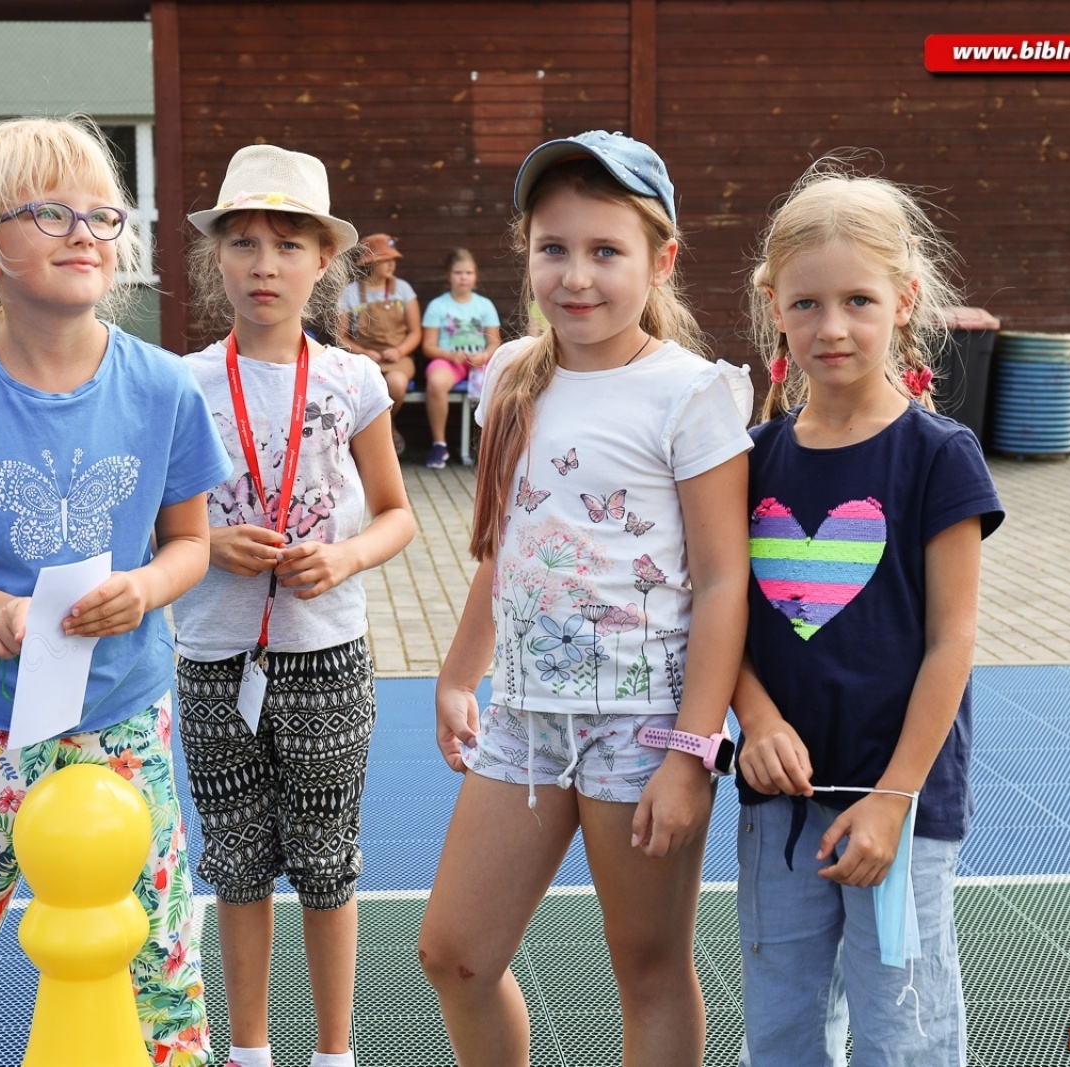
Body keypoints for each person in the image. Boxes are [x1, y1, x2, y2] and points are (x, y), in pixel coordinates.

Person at [0, 117, 232, 1067]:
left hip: (121, 716)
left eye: (101, 214)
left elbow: (191, 542)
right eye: (48, 212)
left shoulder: (163, 390)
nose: (83, 231)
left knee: (155, 942)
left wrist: (146, 586)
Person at [417, 131, 755, 1065]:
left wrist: (693, 749)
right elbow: (504, 546)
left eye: (606, 251)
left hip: (643, 727)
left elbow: (727, 581)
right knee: (455, 954)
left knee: (646, 970)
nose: (577, 276)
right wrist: (457, 674)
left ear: (661, 259)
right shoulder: (511, 375)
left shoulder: (692, 395)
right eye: (553, 248)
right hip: (524, 716)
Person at [732, 161, 1005, 1066]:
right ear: (775, 306)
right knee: (782, 1024)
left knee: (904, 1029)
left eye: (857, 299)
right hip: (783, 808)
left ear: (905, 298)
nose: (832, 326)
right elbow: (718, 615)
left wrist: (893, 798)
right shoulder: (751, 459)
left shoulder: (940, 457)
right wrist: (757, 716)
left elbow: (951, 640)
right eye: (806, 303)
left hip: (900, 806)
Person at [176, 144, 417, 1067]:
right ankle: (247, 1049)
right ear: (217, 261)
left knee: (326, 862)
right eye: (243, 242)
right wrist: (208, 548)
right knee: (235, 862)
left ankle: (334, 1052)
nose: (264, 263)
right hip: (212, 656)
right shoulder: (185, 383)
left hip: (326, 655)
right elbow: (162, 533)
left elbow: (397, 515)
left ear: (324, 263)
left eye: (287, 244)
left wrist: (345, 556)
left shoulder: (353, 381)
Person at [335, 232, 421, 454]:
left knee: (396, 384)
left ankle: (385, 426)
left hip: (398, 358)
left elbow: (415, 332)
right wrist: (364, 352)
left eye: (393, 260)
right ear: (371, 263)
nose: (391, 265)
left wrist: (399, 350)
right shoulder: (351, 293)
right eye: (386, 260)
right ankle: (375, 433)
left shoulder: (402, 289)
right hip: (364, 358)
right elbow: (340, 336)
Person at [420, 248, 502, 468]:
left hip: (479, 362)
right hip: (449, 361)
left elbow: (495, 343)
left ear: (475, 275)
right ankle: (440, 444)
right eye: (458, 272)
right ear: (449, 275)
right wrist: (450, 354)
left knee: (502, 384)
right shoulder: (438, 306)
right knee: (436, 382)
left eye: (468, 272)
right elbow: (428, 346)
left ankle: (493, 445)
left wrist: (484, 355)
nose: (463, 277)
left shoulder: (484, 305)